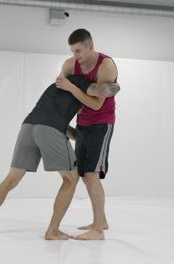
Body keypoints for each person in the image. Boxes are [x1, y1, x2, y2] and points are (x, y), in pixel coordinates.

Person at [0, 74, 119, 240]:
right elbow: (103, 91)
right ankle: (53, 230)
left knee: (11, 179)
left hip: (28, 127)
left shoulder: (56, 88)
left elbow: (60, 125)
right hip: (49, 129)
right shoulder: (82, 83)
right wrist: (111, 88)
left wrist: (82, 139)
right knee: (71, 178)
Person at [56, 28, 119, 240]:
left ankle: (98, 231)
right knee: (84, 175)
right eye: (73, 51)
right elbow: (59, 92)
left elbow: (96, 103)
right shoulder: (70, 65)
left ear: (90, 46)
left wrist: (72, 89)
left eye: (79, 51)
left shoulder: (106, 66)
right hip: (81, 122)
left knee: (92, 174)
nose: (77, 56)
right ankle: (100, 220)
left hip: (102, 122)